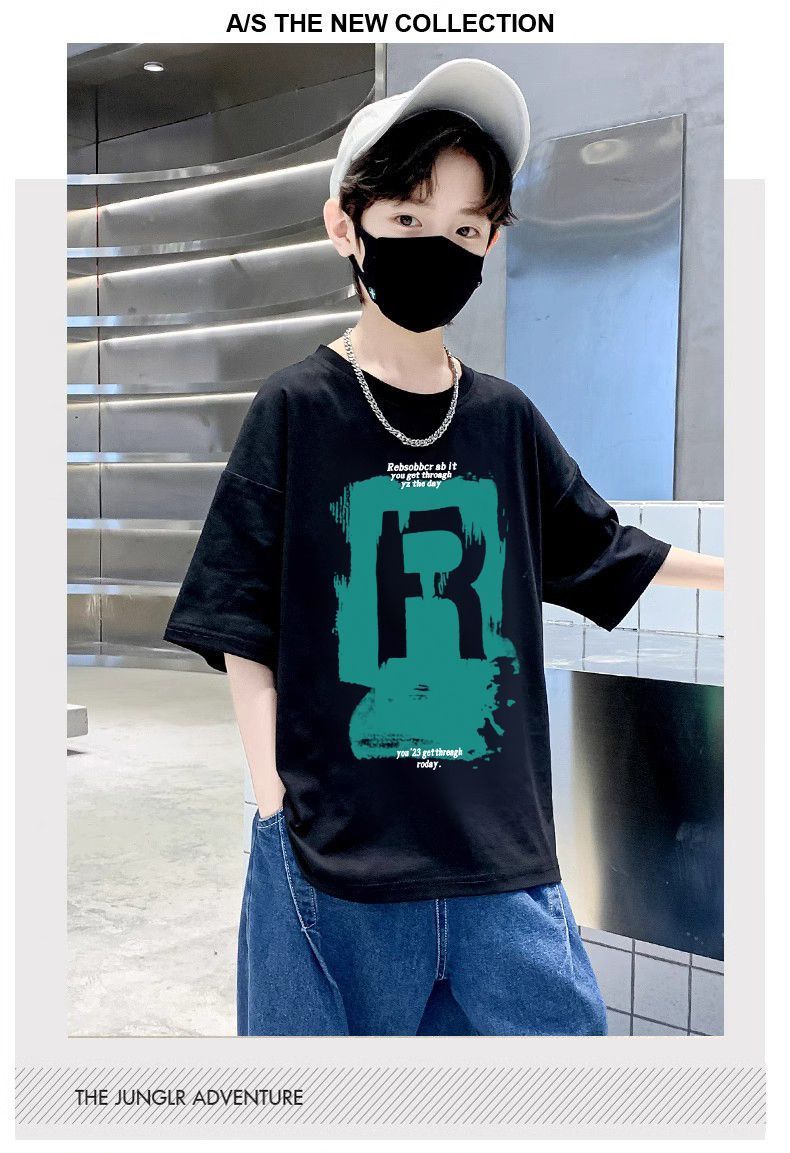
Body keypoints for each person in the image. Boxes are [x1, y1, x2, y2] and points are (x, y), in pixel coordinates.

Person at [163, 59, 724, 1037]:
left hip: (498, 865)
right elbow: (238, 617)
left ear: (492, 240)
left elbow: (604, 549)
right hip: (332, 862)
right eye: (409, 218)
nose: (440, 247)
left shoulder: (505, 420)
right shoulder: (293, 410)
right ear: (346, 225)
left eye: (466, 229)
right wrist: (272, 801)